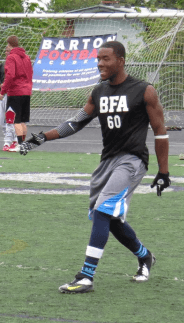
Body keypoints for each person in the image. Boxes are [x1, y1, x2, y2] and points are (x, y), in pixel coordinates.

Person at [19, 41, 170, 294]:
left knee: (103, 210)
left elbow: (160, 132)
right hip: (107, 161)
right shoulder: (98, 91)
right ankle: (145, 256)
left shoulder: (144, 90)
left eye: (105, 59)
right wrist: (43, 136)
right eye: (98, 58)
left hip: (132, 160)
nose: (100, 63)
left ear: (120, 60)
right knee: (108, 219)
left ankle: (86, 277)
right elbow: (76, 123)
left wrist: (163, 171)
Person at [0, 35, 33, 152]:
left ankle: (19, 145)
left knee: (15, 120)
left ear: (9, 44)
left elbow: (10, 76)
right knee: (23, 121)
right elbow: (30, 75)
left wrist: (2, 91)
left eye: (7, 45)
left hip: (15, 92)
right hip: (26, 91)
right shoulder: (27, 57)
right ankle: (22, 144)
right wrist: (29, 89)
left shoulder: (11, 57)